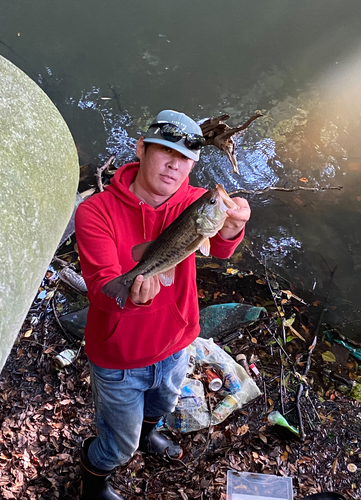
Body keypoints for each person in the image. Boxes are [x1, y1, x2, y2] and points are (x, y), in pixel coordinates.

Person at [75, 110, 251, 500]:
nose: (175, 165)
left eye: (186, 159)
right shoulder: (94, 212)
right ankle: (93, 480)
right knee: (118, 446)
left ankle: (149, 432)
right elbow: (104, 289)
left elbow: (218, 246)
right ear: (141, 149)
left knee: (163, 404)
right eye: (165, 152)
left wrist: (234, 226)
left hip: (176, 343)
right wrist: (133, 300)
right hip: (119, 359)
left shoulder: (194, 200)